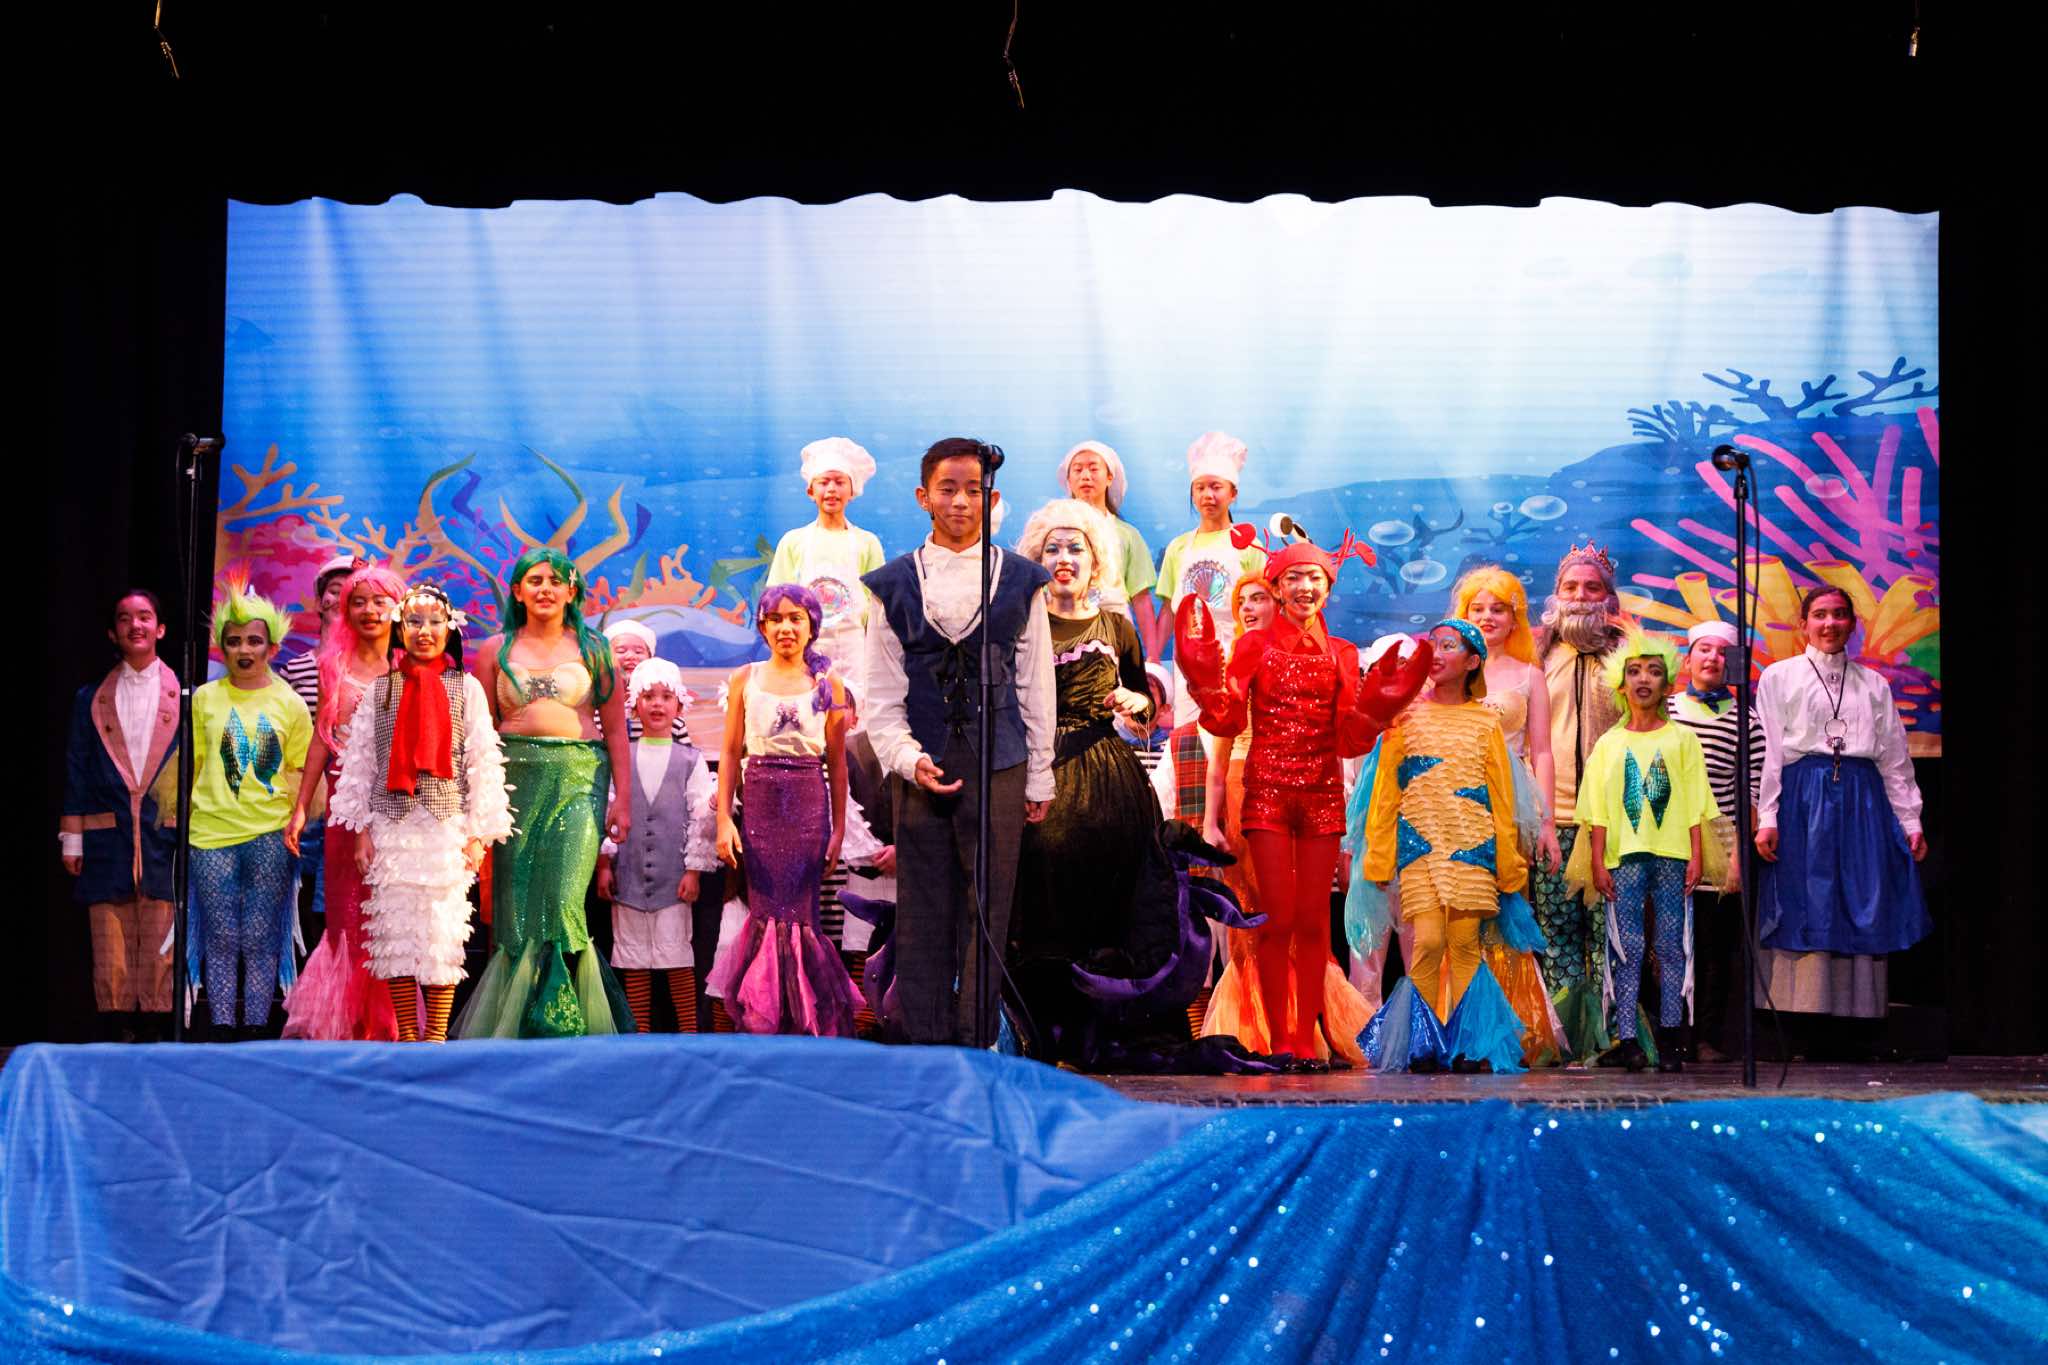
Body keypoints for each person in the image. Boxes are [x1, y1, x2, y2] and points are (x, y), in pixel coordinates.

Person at [1175, 536, 1429, 1064]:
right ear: (1277, 587)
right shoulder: (1254, 647)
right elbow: (1226, 718)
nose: (1305, 586)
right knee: (1276, 919)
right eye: (1293, 577)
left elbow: (1349, 739)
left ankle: (1304, 1036)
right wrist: (1203, 681)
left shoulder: (1343, 653)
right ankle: (1281, 1040)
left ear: (1328, 588)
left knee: (1314, 923)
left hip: (1321, 794)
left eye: (1314, 577)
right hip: (1267, 792)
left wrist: (1379, 709)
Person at [861, 437, 1055, 1046]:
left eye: (974, 490)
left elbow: (1036, 682)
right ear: (924, 497)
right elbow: (880, 695)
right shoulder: (893, 584)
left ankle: (976, 1044)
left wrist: (1039, 774)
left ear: (990, 499)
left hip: (1000, 763)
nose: (961, 502)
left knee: (988, 909)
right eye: (948, 489)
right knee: (922, 909)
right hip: (922, 763)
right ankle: (926, 1046)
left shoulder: (1020, 579)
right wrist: (908, 759)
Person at [1007, 498, 1184, 1066]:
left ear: (1095, 561)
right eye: (1052, 549)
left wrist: (1136, 701)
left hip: (1109, 780)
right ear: (1037, 559)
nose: (1064, 558)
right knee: (1042, 899)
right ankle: (1044, 1032)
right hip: (1040, 773)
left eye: (1075, 548)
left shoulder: (1117, 626)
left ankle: (1100, 1035)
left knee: (1110, 900)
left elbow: (1144, 706)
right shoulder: (1021, 624)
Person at [456, 547, 636, 1038]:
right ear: (517, 591)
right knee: (514, 903)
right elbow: (480, 732)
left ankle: (561, 1018)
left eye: (555, 581)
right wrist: (476, 804)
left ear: (571, 591)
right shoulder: (494, 650)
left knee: (562, 899)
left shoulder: (595, 649)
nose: (545, 589)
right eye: (534, 580)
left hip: (579, 777)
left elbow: (616, 730)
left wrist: (623, 799)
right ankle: (515, 1020)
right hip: (512, 781)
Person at [328, 582, 512, 1042]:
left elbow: (482, 758)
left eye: (434, 622)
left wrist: (478, 834)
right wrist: (362, 830)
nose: (424, 631)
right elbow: (361, 762)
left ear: (449, 629)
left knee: (440, 930)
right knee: (395, 929)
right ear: (400, 630)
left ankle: (436, 1035)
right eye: (413, 622)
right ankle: (409, 1033)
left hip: (446, 827)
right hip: (391, 827)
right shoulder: (381, 689)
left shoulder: (466, 688)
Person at [1754, 584, 1930, 1053]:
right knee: (1806, 896)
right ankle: (1802, 1023)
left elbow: (1894, 758)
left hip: (1861, 798)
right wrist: (1767, 815)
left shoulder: (1873, 684)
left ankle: (1856, 1024)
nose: (1829, 624)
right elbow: (1771, 752)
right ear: (1803, 624)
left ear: (1853, 624)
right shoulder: (1780, 676)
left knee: (1860, 893)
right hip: (1803, 797)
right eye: (1820, 615)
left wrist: (1910, 821)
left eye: (1838, 615)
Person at [1354, 621, 1532, 1072]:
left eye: (1448, 646)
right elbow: (1386, 793)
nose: (1436, 653)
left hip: (1472, 845)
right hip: (1421, 845)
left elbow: (1500, 795)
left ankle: (1470, 1044)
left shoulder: (1485, 722)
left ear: (1472, 661)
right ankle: (1423, 1039)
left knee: (1465, 942)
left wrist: (1506, 858)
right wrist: (1380, 854)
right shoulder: (1406, 719)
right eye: (1433, 644)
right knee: (1429, 941)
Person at [710, 583, 861, 1036]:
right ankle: (764, 1019)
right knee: (764, 910)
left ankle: (801, 1021)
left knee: (801, 911)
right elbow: (730, 751)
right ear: (762, 627)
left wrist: (838, 830)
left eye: (795, 618)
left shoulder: (828, 683)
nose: (786, 628)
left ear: (812, 625)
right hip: (760, 805)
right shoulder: (745, 678)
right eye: (775, 619)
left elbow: (837, 762)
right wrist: (724, 820)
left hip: (808, 805)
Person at [1577, 630, 1718, 1072]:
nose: (1643, 679)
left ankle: (1673, 1038)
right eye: (1634, 671)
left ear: (1667, 684)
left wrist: (1696, 854)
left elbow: (1695, 802)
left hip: (1672, 855)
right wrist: (1598, 860)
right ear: (1621, 685)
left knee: (1671, 945)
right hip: (1624, 857)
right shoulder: (1609, 744)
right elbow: (1597, 809)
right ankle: (1628, 1038)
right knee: (1628, 947)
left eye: (1654, 672)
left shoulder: (1682, 739)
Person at [281, 562, 403, 1041]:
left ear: (397, 608)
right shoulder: (333, 665)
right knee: (346, 913)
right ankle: (346, 1023)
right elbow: (321, 737)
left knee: (388, 914)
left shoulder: (408, 664)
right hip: (344, 808)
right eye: (359, 602)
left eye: (379, 601)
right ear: (345, 610)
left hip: (397, 807)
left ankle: (388, 1021)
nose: (369, 610)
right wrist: (300, 807)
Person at [1451, 565, 1568, 1063]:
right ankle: (1463, 1030)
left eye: (1497, 609)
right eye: (1477, 609)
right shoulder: (1452, 671)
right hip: (1455, 802)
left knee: (1502, 914)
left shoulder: (1528, 675)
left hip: (1508, 804)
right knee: (1459, 917)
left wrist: (1546, 821)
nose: (1487, 617)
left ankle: (1509, 1030)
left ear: (1514, 616)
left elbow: (1541, 751)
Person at [186, 587, 313, 1038]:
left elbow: (301, 771)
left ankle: (257, 1030)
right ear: (222, 647)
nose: (244, 650)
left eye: (254, 641)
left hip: (270, 834)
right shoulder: (204, 699)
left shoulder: (290, 703)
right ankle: (222, 1028)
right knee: (221, 936)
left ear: (272, 648)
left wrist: (294, 819)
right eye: (234, 641)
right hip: (210, 833)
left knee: (260, 937)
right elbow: (192, 763)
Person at [60, 590, 180, 1042]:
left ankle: (155, 1031)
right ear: (113, 633)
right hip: (107, 837)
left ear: (160, 629)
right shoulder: (90, 699)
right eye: (125, 619)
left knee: (160, 938)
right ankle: (115, 1033)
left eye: (145, 617)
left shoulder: (186, 699)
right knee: (110, 941)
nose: (136, 626)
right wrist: (72, 837)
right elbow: (76, 766)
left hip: (161, 835)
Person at [1527, 542, 1631, 1053]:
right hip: (1552, 816)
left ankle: (1611, 1035)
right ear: (1556, 594)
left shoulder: (1629, 656)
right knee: (1557, 932)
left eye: (1592, 587)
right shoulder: (1538, 655)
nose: (1581, 595)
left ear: (1608, 597)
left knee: (1612, 934)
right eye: (1571, 586)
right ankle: (1566, 1034)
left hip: (1614, 821)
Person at [596, 658, 718, 1032]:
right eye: (649, 696)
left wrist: (693, 871)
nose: (657, 704)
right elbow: (607, 809)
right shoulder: (621, 757)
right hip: (629, 876)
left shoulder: (691, 760)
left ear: (679, 705)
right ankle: (640, 1036)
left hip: (673, 879)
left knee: (676, 957)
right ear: (635, 704)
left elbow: (701, 819)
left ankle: (689, 1032)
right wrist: (604, 865)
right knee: (634, 960)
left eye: (666, 697)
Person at [1155, 432, 1268, 831]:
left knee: (1235, 749)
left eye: (1216, 487)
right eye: (1200, 487)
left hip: (1237, 661)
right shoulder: (1178, 548)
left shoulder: (1250, 546)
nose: (1208, 495)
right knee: (1191, 746)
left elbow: (1264, 606)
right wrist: (1154, 659)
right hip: (1190, 666)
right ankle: (1194, 832)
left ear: (1233, 493)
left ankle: (1235, 828)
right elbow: (1168, 610)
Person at [1666, 618, 1765, 1060]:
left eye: (1723, 652)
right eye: (1704, 650)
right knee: (1668, 942)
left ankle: (1704, 1036)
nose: (1713, 658)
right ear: (1688, 660)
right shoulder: (1666, 711)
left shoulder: (1747, 720)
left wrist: (1739, 856)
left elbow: (1752, 792)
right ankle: (1668, 1033)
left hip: (1719, 838)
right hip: (1668, 836)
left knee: (1712, 946)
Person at [1193, 577, 1277, 1042]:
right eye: (1241, 600)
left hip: (1292, 782)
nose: (1247, 607)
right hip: (1243, 786)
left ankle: (1295, 1018)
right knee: (1247, 906)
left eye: (1258, 598)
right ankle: (1251, 1023)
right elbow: (1218, 761)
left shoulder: (1301, 655)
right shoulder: (1232, 665)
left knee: (1290, 909)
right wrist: (1210, 823)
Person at [764, 437, 887, 711]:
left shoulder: (867, 542)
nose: (831, 489)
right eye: (824, 482)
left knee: (854, 713)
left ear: (852, 490)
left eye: (840, 482)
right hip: (805, 645)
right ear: (811, 491)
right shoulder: (794, 541)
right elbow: (775, 600)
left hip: (855, 648)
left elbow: (879, 605)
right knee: (808, 712)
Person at [276, 552, 359, 937]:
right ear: (319, 600)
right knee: (303, 896)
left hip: (352, 798)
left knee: (341, 901)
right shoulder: (295, 669)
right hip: (308, 796)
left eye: (352, 593)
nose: (341, 600)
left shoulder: (375, 667)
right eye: (334, 590)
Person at [1055, 440, 1156, 636]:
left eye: (1094, 469)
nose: (1085, 476)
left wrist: (1152, 651)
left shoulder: (1128, 535)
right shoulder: (1053, 532)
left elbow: (1141, 599)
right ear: (1068, 480)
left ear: (1110, 477)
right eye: (1078, 470)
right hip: (1064, 631)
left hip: (1115, 631)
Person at [601, 617, 693, 743]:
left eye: (638, 652)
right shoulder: (596, 710)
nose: (630, 656)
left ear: (650, 657)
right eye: (621, 651)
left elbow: (685, 754)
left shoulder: (670, 719)